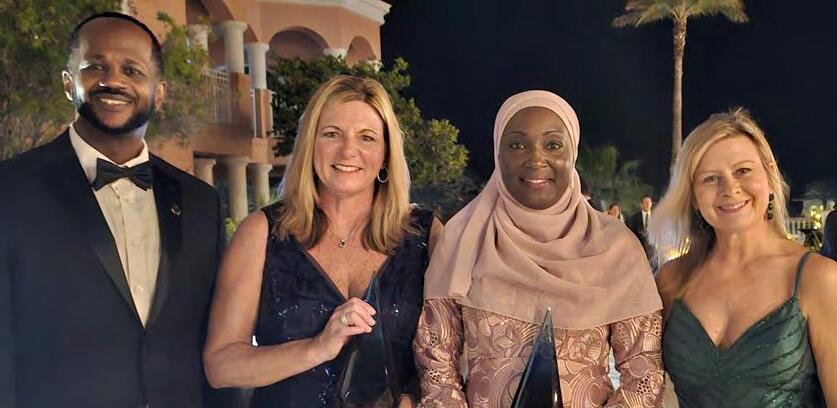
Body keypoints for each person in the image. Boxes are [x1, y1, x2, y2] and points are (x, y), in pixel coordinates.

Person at [0, 12, 231, 407]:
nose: (113, 80)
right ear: (68, 82)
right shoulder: (12, 189)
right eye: (95, 67)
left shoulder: (200, 202)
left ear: (159, 92)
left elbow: (216, 338)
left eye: (132, 70)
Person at [203, 75, 443, 408]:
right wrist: (316, 348)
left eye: (367, 137)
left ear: (386, 154)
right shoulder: (260, 233)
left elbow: (454, 356)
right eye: (332, 134)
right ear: (310, 145)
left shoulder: (426, 236)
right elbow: (221, 366)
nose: (348, 150)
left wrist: (415, 399)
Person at [414, 90, 665, 407]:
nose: (535, 159)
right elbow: (436, 362)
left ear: (572, 153)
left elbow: (644, 376)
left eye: (553, 145)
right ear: (498, 153)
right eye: (517, 145)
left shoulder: (616, 246)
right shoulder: (462, 239)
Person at [652, 108, 837, 406]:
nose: (730, 189)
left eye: (743, 171)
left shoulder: (818, 279)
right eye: (711, 178)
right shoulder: (670, 281)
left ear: (769, 177)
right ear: (694, 197)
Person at [628, 195, 654, 260]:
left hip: (653, 248)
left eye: (649, 202)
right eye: (646, 202)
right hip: (639, 247)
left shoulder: (656, 215)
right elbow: (631, 232)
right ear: (641, 204)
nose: (648, 204)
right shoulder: (634, 218)